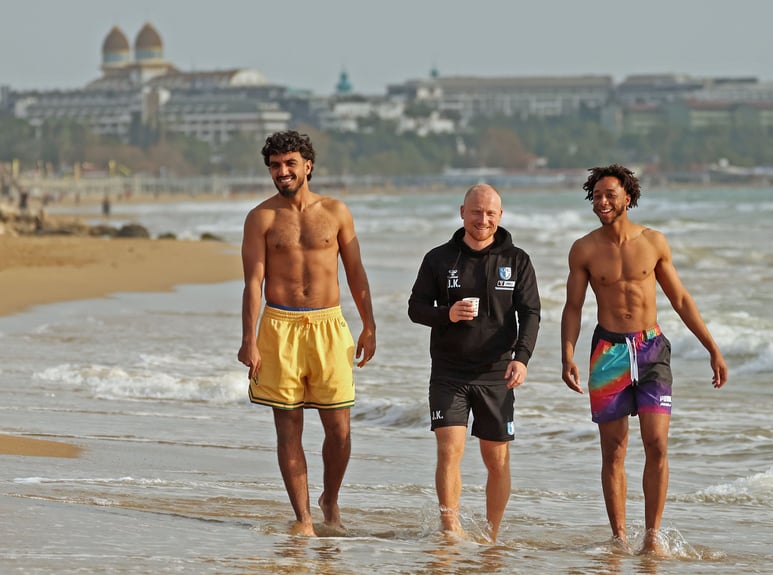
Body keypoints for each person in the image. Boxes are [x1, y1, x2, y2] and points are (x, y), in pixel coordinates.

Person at [560, 164, 727, 554]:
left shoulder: (653, 243)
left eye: (609, 195)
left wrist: (712, 348)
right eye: (596, 196)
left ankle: (652, 538)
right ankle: (619, 538)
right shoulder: (584, 248)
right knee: (614, 449)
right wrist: (567, 351)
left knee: (656, 444)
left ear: (628, 198)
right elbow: (573, 306)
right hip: (608, 352)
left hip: (651, 349)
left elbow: (681, 299)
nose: (601, 202)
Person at [237, 130, 376, 537]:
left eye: (290, 164)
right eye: (275, 166)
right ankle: (303, 518)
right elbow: (253, 284)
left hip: (329, 325)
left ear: (308, 165)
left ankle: (329, 498)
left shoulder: (336, 212)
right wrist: (249, 339)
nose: (282, 172)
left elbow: (355, 271)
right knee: (288, 427)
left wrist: (369, 324)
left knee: (340, 429)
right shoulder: (260, 218)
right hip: (278, 326)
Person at [408, 184, 541, 542]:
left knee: (496, 461)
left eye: (490, 213)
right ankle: (450, 529)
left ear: (500, 216)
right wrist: (447, 313)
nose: (483, 219)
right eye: (476, 212)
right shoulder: (439, 258)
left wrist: (522, 358)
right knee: (449, 449)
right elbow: (415, 309)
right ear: (462, 212)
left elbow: (530, 313)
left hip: (497, 372)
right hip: (449, 372)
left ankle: (490, 535)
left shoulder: (517, 260)